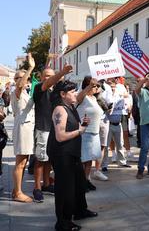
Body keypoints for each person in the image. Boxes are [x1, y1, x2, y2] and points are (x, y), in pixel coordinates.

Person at [47, 80, 97, 231]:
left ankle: (80, 211)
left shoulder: (70, 106)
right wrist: (80, 131)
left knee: (80, 185)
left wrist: (83, 125)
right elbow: (60, 136)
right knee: (65, 189)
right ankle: (63, 223)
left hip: (72, 153)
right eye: (72, 91)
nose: (75, 93)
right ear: (63, 94)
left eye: (75, 90)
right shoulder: (59, 110)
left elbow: (80, 97)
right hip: (62, 155)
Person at [32, 63, 73, 203]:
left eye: (51, 75)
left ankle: (46, 184)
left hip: (54, 129)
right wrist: (62, 72)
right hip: (43, 128)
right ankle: (37, 188)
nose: (49, 78)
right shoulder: (39, 88)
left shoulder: (55, 91)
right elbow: (49, 82)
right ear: (41, 77)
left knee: (49, 158)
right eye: (47, 75)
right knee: (40, 159)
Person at [11, 53, 35, 203]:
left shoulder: (25, 92)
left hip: (27, 128)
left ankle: (16, 189)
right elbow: (20, 85)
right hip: (22, 128)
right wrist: (30, 67)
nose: (24, 79)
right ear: (16, 80)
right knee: (20, 162)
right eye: (20, 77)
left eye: (25, 76)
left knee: (24, 161)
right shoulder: (17, 91)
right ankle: (18, 192)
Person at [76, 76, 103, 191]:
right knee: (84, 159)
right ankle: (80, 182)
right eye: (94, 85)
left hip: (94, 132)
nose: (96, 87)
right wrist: (89, 86)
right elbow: (78, 97)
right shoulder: (83, 96)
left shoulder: (93, 98)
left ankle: (86, 180)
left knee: (89, 160)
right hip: (85, 132)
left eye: (97, 85)